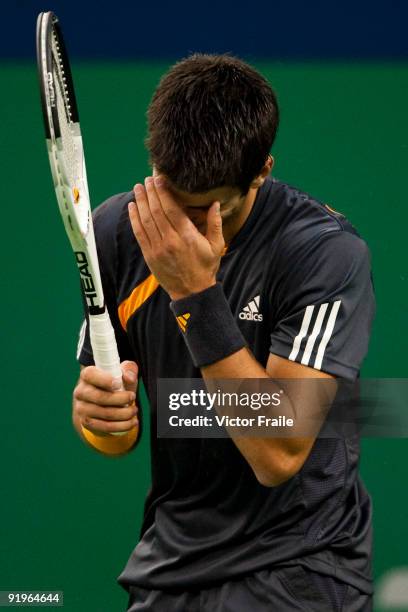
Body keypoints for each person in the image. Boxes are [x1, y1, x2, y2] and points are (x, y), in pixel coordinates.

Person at [73, 54, 375, 611]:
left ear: (262, 169)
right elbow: (113, 436)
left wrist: (194, 295)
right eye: (176, 205)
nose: (185, 231)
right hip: (169, 567)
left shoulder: (324, 254)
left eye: (211, 210)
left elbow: (278, 453)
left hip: (295, 568)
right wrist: (102, 418)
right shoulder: (117, 232)